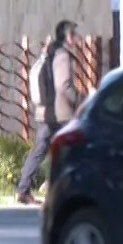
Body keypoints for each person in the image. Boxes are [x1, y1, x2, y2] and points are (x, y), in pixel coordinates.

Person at [16, 19, 81, 205]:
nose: (78, 38)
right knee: (71, 149)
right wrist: (82, 99)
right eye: (75, 35)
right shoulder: (62, 55)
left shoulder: (51, 52)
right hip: (60, 114)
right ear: (68, 37)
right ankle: (48, 186)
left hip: (48, 112)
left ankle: (26, 189)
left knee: (43, 150)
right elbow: (64, 85)